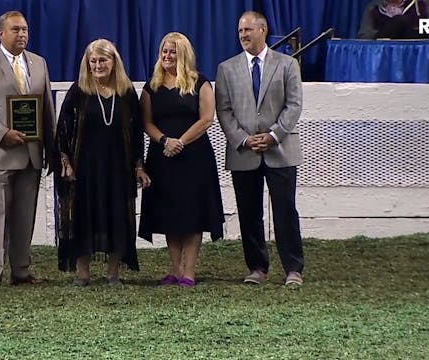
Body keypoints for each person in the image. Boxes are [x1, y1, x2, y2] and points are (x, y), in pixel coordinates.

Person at [0, 11, 57, 286]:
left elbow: (47, 110)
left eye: (25, 30)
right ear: (1, 33)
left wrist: (51, 150)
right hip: (1, 153)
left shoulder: (39, 63)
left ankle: (21, 270)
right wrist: (2, 134)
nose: (22, 35)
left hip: (31, 154)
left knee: (24, 215)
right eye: (16, 30)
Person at [215, 11, 305, 287]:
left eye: (248, 30)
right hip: (244, 153)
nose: (243, 35)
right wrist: (243, 139)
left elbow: (294, 105)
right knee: (249, 211)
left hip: (281, 151)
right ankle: (257, 267)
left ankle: (293, 268)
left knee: (285, 210)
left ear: (263, 30)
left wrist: (274, 135)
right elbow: (224, 111)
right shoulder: (226, 69)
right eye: (240, 31)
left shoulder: (288, 64)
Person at [56, 39, 150, 286]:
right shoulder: (79, 90)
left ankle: (113, 274)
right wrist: (65, 161)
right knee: (83, 216)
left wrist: (139, 166)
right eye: (93, 61)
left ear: (114, 62)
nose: (97, 65)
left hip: (118, 167)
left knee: (117, 216)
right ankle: (83, 274)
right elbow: (63, 128)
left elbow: (137, 131)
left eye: (102, 60)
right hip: (84, 167)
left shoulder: (126, 91)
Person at [138, 32, 224, 288]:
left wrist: (181, 141)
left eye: (172, 51)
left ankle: (189, 271)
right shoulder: (151, 86)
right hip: (162, 156)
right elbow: (146, 122)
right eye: (164, 51)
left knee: (192, 214)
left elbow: (207, 118)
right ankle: (175, 270)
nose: (167, 56)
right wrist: (165, 141)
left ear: (183, 54)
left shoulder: (201, 83)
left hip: (194, 157)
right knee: (169, 214)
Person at [357, 0, 429, 39]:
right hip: (386, 55)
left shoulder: (423, 3)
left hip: (417, 55)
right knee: (399, 22)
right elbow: (364, 36)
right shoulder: (373, 8)